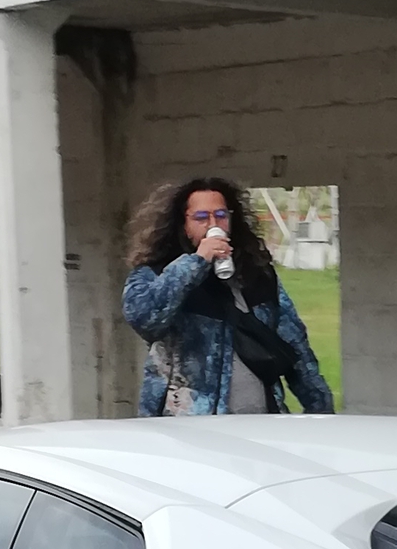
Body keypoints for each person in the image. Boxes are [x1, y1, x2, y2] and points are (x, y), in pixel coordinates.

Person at [122, 175, 336, 417]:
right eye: (201, 217)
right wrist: (197, 262)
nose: (213, 223)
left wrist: (321, 411)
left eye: (221, 215)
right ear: (182, 224)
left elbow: (295, 348)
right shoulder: (157, 273)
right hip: (188, 430)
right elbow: (143, 317)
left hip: (261, 422)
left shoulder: (257, 274)